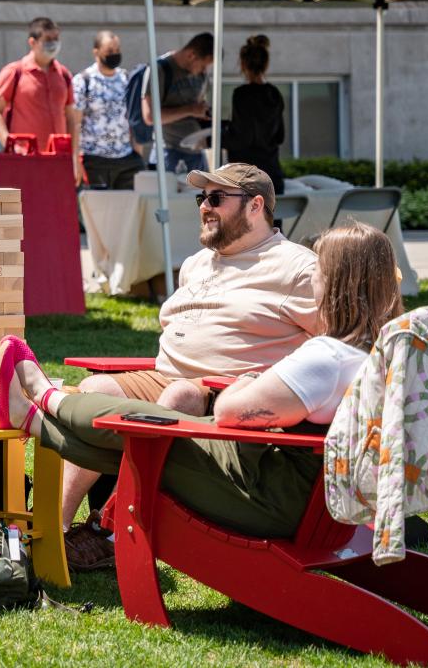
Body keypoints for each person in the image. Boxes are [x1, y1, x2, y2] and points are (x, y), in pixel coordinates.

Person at [0, 220, 403, 541]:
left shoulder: (326, 357)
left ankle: (43, 400)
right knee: (137, 435)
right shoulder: (380, 355)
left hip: (266, 496)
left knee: (140, 433)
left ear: (335, 285)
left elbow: (228, 410)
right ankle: (33, 415)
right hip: (309, 495)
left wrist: (248, 381)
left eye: (320, 271)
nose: (313, 280)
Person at [64, 163, 318, 569]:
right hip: (166, 375)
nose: (204, 207)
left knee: (176, 398)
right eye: (202, 198)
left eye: (217, 198)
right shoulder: (197, 264)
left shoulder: (297, 267)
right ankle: (55, 531)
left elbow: (332, 345)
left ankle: (110, 530)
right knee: (97, 390)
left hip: (229, 394)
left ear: (255, 206)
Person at [0, 17, 79, 175]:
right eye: (48, 39)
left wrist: (74, 157)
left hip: (59, 160)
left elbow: (71, 118)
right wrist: (10, 144)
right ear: (32, 42)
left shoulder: (64, 74)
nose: (53, 43)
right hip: (24, 159)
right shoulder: (14, 72)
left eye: (56, 38)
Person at [72, 30, 141, 189]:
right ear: (96, 52)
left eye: (117, 50)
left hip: (126, 158)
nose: (114, 54)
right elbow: (75, 123)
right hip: (94, 159)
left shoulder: (126, 79)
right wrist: (75, 160)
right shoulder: (84, 81)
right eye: (109, 51)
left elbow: (132, 118)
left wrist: (137, 152)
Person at [222, 35, 285, 194]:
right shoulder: (274, 94)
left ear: (242, 64)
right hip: (272, 177)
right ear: (266, 64)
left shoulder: (241, 95)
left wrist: (213, 136)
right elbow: (280, 136)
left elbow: (241, 137)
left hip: (245, 179)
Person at [143, 32, 213, 172]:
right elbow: (150, 117)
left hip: (196, 152)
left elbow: (200, 105)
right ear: (191, 55)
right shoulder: (160, 69)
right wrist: (190, 110)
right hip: (167, 151)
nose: (204, 70)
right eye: (203, 66)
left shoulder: (201, 76)